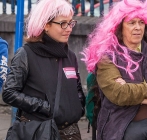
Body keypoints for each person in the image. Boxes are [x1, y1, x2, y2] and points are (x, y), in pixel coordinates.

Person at [81, 0, 147, 139]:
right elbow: (119, 94)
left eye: (141, 22)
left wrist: (135, 94)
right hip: (120, 133)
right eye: (132, 23)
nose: (138, 27)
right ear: (119, 27)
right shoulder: (107, 58)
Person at [2, 0, 85, 139]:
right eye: (63, 23)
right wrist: (44, 107)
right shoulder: (26, 54)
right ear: (46, 25)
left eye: (71, 22)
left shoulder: (70, 55)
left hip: (72, 133)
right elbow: (9, 92)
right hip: (40, 132)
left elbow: (77, 89)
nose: (69, 28)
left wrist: (79, 108)